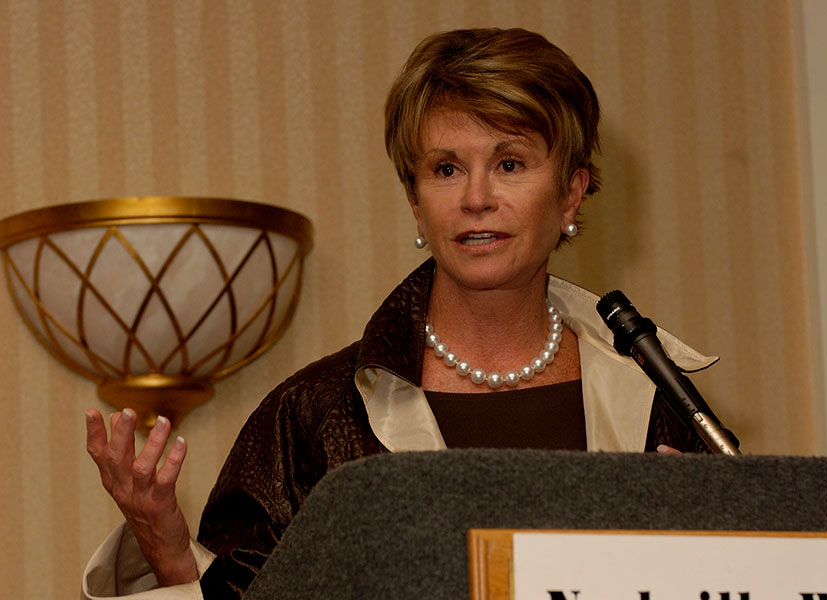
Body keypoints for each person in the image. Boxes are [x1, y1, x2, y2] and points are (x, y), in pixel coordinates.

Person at [82, 27, 716, 599]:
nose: (475, 198)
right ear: (416, 204)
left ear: (572, 192)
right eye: (445, 169)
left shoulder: (658, 399)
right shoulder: (313, 415)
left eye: (510, 164)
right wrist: (165, 549)